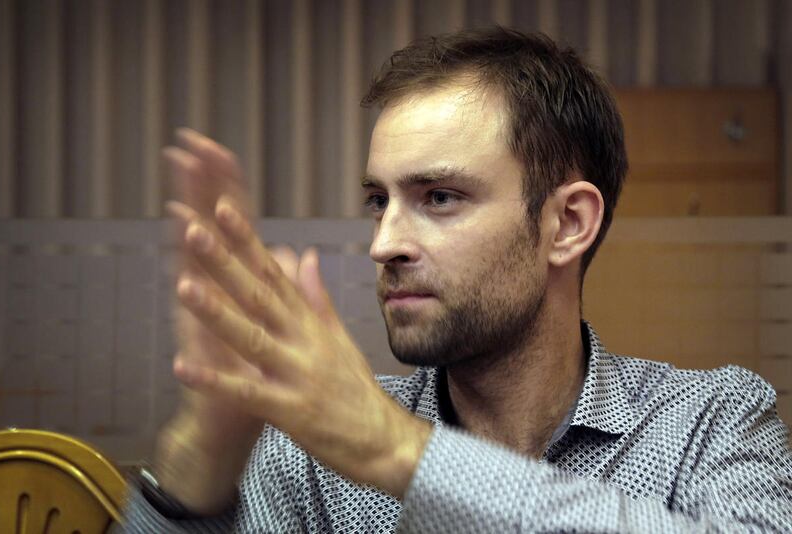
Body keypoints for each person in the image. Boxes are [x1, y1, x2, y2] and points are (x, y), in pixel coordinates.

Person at [123, 27, 791, 532]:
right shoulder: (311, 453)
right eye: (379, 201)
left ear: (567, 224)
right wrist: (199, 457)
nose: (383, 244)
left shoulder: (713, 422)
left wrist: (397, 452)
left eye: (439, 197)